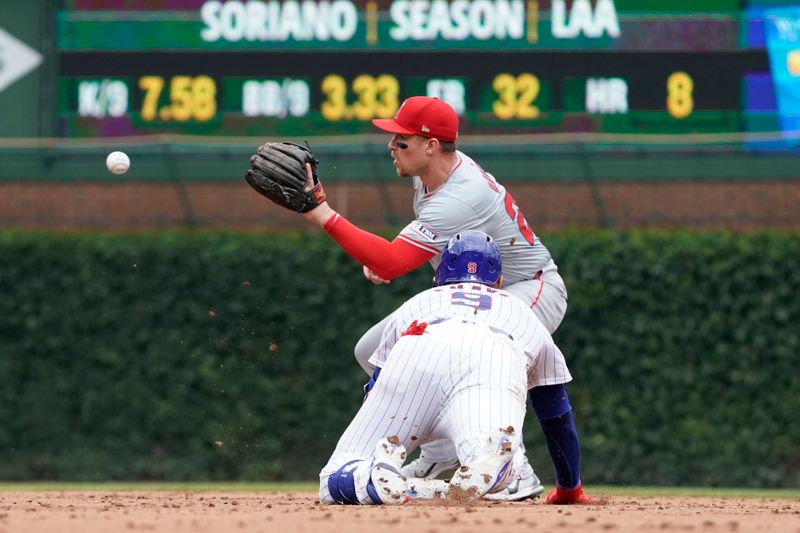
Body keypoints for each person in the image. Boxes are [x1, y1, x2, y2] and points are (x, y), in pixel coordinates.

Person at [302, 96, 568, 500]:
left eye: (401, 140)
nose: (391, 146)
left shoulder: (461, 193)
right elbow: (404, 253)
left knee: (492, 357)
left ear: (431, 145)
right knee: (371, 350)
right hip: (481, 292)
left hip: (530, 288)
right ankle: (442, 450)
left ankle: (517, 470)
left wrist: (323, 213)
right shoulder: (431, 175)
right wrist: (386, 257)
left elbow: (392, 261)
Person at [319, 231, 595, 505]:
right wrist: (569, 488)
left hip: (420, 346)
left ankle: (367, 480)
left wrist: (375, 433)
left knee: (338, 472)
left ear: (438, 279)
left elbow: (379, 384)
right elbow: (556, 413)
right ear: (498, 282)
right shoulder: (521, 312)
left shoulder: (419, 303)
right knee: (491, 464)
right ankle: (499, 470)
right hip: (492, 358)